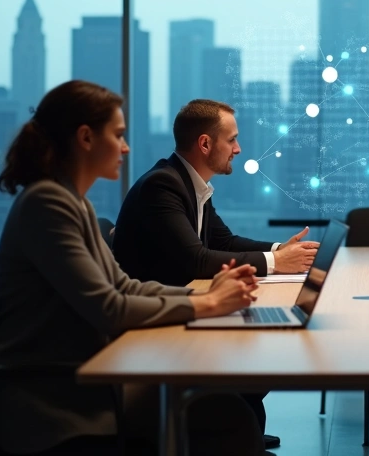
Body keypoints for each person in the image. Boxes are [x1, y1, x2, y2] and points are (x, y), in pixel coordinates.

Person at [0, 80, 264, 456]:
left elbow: (125, 286)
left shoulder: (72, 203)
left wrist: (203, 295)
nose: (126, 147)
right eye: (117, 135)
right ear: (86, 138)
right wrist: (206, 304)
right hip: (57, 401)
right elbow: (110, 308)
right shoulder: (48, 205)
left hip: (87, 375)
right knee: (223, 415)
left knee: (224, 407)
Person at [112, 98, 317, 448]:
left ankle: (244, 433)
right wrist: (275, 264)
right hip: (151, 332)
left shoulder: (190, 184)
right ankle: (237, 436)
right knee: (257, 338)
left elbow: (225, 240)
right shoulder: (162, 185)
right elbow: (196, 259)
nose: (238, 149)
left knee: (260, 335)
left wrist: (278, 251)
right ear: (205, 144)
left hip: (172, 310)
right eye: (232, 140)